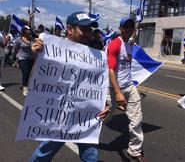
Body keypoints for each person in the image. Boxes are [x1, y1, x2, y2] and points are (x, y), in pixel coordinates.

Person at [30, 11, 110, 162]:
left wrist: (103, 103)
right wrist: (37, 57)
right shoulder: (51, 49)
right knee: (42, 155)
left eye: (89, 30)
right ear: (69, 29)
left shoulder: (94, 54)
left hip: (85, 116)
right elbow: (36, 82)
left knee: (91, 157)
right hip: (60, 115)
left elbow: (96, 83)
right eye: (83, 30)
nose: (88, 34)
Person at [107, 17, 147, 162]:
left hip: (129, 87)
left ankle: (134, 150)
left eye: (131, 27)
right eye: (126, 27)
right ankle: (87, 134)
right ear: (120, 28)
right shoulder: (114, 45)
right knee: (104, 117)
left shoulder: (129, 44)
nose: (129, 29)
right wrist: (117, 92)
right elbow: (110, 70)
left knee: (137, 118)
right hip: (112, 88)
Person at [12, 26, 34, 97]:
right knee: (26, 71)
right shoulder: (19, 39)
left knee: (28, 73)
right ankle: (25, 88)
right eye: (28, 30)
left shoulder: (32, 39)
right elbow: (14, 50)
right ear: (24, 31)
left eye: (30, 30)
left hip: (31, 59)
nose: (29, 31)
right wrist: (14, 60)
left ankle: (25, 84)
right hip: (22, 58)